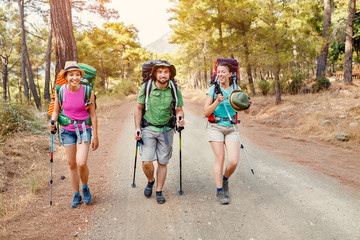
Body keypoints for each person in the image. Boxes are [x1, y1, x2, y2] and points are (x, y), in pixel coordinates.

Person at [49, 61, 99, 208]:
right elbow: (56, 111)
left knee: (81, 162)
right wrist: (52, 121)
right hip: (67, 131)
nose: (74, 77)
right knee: (72, 164)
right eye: (71, 75)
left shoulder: (88, 91)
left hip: (84, 129)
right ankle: (76, 194)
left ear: (81, 76)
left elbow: (94, 115)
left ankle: (85, 188)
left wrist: (95, 135)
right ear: (66, 76)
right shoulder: (60, 91)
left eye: (77, 74)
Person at [134, 62, 185, 204]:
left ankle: (159, 190)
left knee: (163, 162)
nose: (163, 75)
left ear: (170, 74)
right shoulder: (147, 87)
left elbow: (179, 109)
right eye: (160, 71)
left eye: (166, 72)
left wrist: (180, 118)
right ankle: (151, 180)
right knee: (146, 162)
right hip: (148, 128)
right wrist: (137, 127)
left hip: (166, 130)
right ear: (155, 73)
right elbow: (138, 108)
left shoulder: (174, 89)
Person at [204, 62, 251, 205]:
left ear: (231, 74)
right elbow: (206, 112)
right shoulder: (213, 89)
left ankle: (225, 180)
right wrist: (217, 101)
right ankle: (219, 192)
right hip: (215, 127)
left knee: (233, 161)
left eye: (223, 72)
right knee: (220, 159)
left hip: (232, 128)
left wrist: (248, 102)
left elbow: (247, 111)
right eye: (218, 72)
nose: (220, 74)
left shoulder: (237, 90)